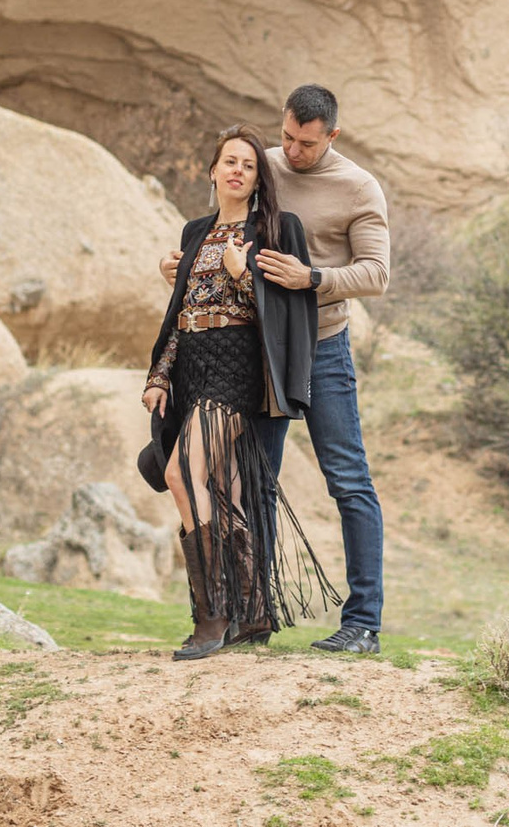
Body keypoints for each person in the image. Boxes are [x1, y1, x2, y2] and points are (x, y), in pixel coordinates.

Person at [166, 84, 390, 654]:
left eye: (306, 143)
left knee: (347, 481)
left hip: (321, 346)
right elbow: (223, 223)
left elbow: (376, 274)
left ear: (331, 136)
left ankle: (362, 622)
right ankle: (252, 615)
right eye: (286, 136)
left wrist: (311, 278)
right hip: (262, 350)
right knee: (256, 481)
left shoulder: (358, 188)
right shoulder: (262, 163)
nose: (291, 151)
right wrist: (185, 261)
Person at [139, 125, 335, 660]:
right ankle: (251, 613)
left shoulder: (274, 228)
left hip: (237, 363)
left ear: (257, 179)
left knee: (183, 472)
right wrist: (160, 376)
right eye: (229, 161)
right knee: (223, 488)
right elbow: (180, 311)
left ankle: (212, 616)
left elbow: (286, 312)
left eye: (248, 165)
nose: (237, 171)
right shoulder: (194, 232)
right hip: (193, 366)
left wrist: (243, 273)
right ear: (212, 171)